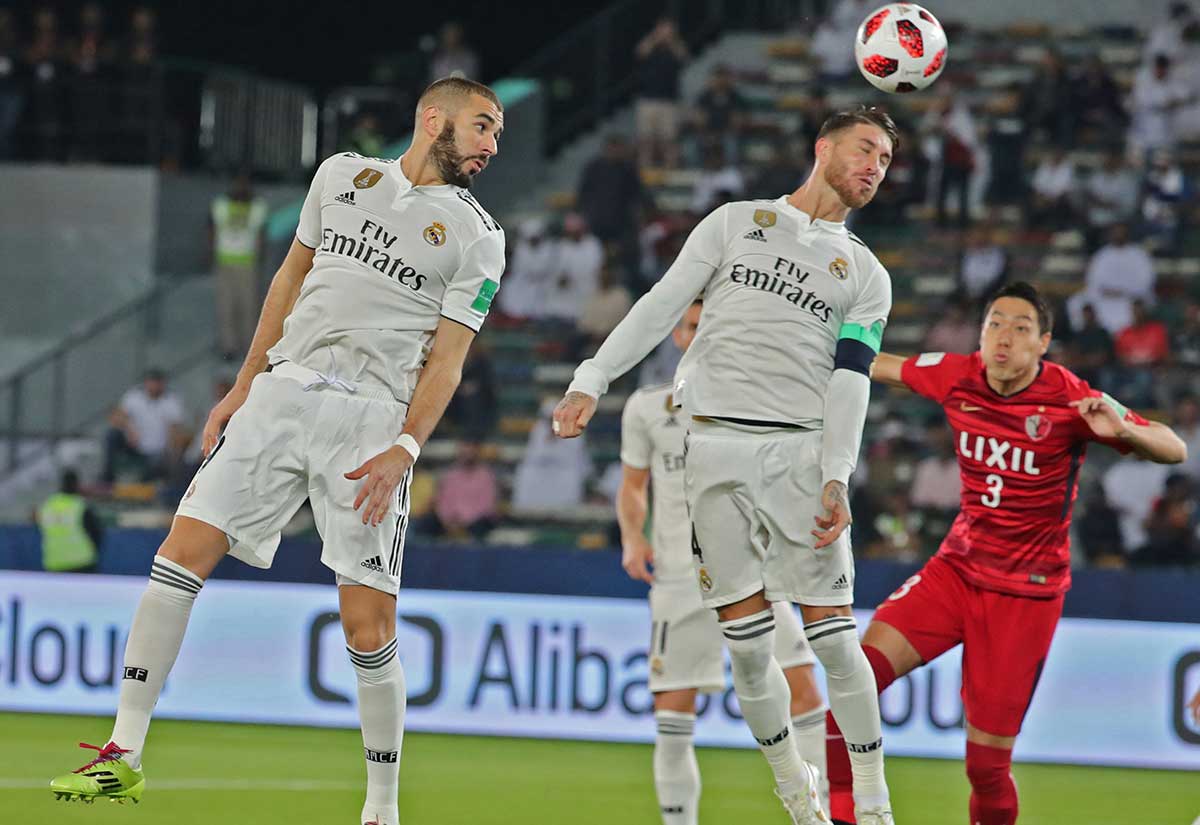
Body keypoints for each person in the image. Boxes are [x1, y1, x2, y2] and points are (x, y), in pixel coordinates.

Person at [49, 77, 507, 825]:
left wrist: (405, 446)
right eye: (483, 126)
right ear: (434, 120)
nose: (491, 145)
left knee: (368, 625)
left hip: (369, 419)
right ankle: (122, 755)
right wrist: (241, 386)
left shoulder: (477, 235)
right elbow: (289, 277)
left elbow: (449, 358)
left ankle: (382, 807)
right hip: (281, 393)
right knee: (178, 552)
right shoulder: (341, 175)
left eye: (496, 134)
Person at [553, 105, 901, 825]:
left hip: (801, 452)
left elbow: (852, 379)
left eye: (886, 161)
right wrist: (594, 376)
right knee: (747, 652)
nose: (875, 166)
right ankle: (794, 792)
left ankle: (871, 801)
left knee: (836, 637)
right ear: (822, 147)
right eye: (865, 149)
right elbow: (661, 304)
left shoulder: (866, 274)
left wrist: (837, 471)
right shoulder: (735, 222)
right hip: (710, 448)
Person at [830, 281, 1187, 825]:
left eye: (1021, 328)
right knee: (855, 681)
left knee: (986, 768)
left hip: (1026, 594)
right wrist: (821, 340)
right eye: (995, 322)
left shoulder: (1071, 397)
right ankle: (840, 815)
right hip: (955, 571)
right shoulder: (957, 373)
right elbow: (881, 364)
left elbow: (1173, 446)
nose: (1004, 337)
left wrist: (1124, 431)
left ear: (1043, 343)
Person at [618, 301, 830, 823]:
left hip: (754, 571)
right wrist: (631, 538)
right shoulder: (647, 407)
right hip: (677, 576)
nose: (700, 333)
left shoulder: (759, 402)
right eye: (692, 325)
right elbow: (632, 486)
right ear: (677, 334)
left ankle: (822, 811)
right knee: (672, 713)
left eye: (709, 324)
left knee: (804, 689)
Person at [210, 172, 269, 360]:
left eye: (245, 184)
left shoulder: (257, 206)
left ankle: (249, 345)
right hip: (225, 261)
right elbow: (211, 229)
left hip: (247, 263)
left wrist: (261, 256)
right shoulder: (222, 204)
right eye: (239, 183)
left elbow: (261, 233)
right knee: (226, 305)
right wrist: (209, 253)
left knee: (249, 305)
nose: (242, 188)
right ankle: (229, 346)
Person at [103, 368, 189, 483]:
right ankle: (107, 478)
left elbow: (175, 431)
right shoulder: (134, 396)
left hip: (157, 451)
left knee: (163, 463)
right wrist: (129, 428)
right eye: (152, 381)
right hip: (135, 446)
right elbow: (114, 417)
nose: (154, 385)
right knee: (112, 435)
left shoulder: (171, 401)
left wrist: (172, 453)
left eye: (157, 382)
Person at [634, 17, 688, 169]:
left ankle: (670, 168)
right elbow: (640, 53)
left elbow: (683, 57)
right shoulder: (650, 44)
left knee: (669, 139)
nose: (666, 32)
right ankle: (645, 169)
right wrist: (655, 38)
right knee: (645, 139)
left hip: (669, 100)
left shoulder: (677, 46)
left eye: (669, 29)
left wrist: (671, 41)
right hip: (648, 98)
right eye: (663, 28)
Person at [37, 469, 103, 573]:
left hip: (54, 562)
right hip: (81, 561)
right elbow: (96, 533)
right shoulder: (80, 506)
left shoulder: (47, 505)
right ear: (77, 484)